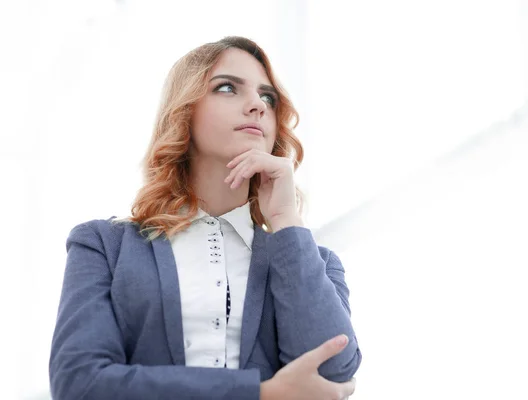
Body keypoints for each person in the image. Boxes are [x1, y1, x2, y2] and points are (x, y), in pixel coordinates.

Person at [49, 36, 361, 400]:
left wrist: (285, 219)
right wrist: (259, 393)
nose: (257, 106)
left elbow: (331, 375)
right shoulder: (104, 247)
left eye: (268, 97)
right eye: (227, 88)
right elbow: (80, 383)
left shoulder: (316, 264)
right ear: (184, 111)